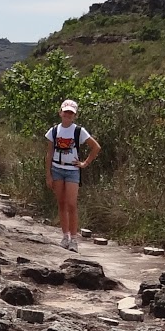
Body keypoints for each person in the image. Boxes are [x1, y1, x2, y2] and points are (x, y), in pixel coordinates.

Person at [45, 98, 100, 250]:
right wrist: (48, 175)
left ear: (74, 115)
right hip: (57, 169)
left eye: (71, 113)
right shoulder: (54, 131)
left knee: (71, 204)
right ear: (60, 112)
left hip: (72, 171)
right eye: (65, 112)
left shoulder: (79, 131)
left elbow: (95, 147)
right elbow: (49, 154)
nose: (67, 115)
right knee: (61, 203)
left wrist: (85, 163)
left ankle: (74, 239)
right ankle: (65, 236)